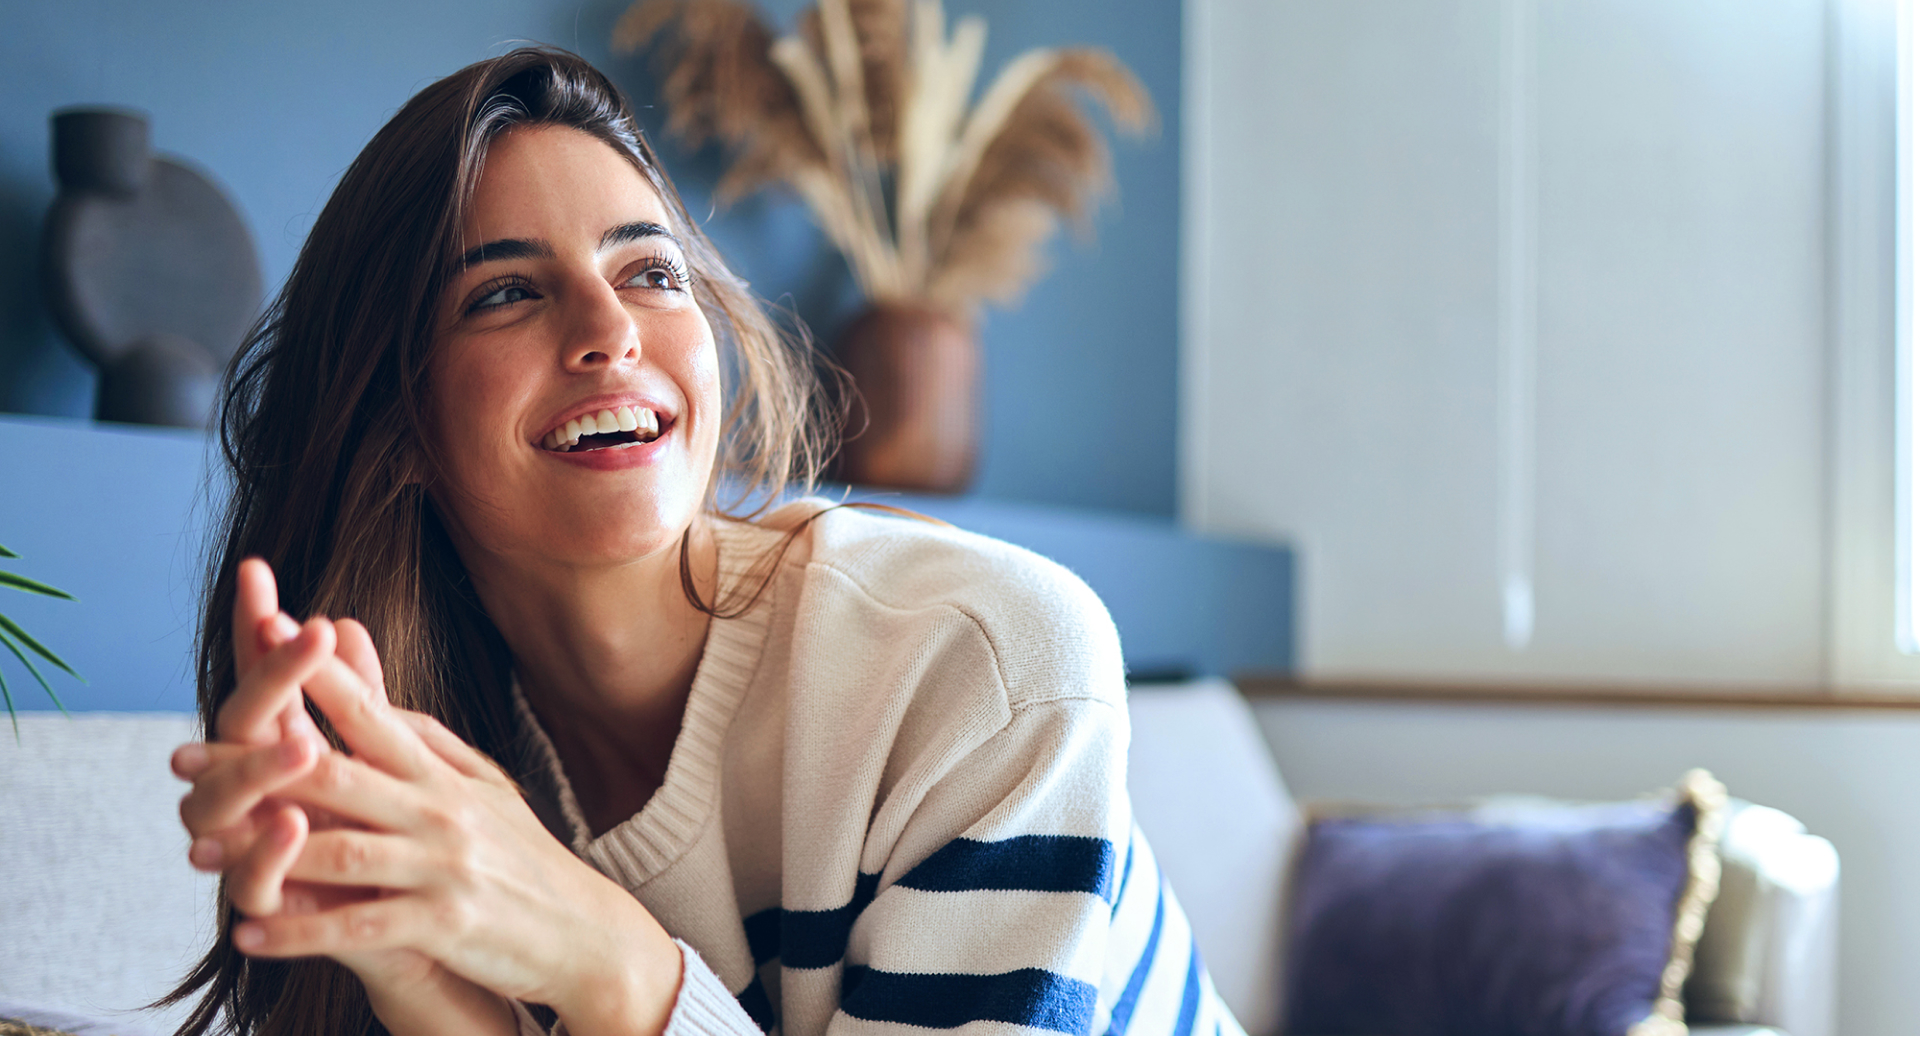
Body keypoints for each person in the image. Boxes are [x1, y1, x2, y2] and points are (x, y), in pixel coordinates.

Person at [164, 46, 1237, 1036]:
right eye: (505, 292)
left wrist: (618, 965)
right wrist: (417, 980)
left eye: (650, 271)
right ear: (399, 425)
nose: (610, 326)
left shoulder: (983, 661)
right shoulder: (429, 772)